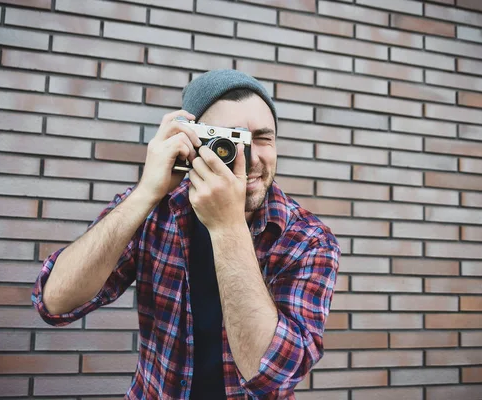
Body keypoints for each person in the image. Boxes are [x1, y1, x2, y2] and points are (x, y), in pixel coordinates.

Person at [32, 69, 341, 399]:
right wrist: (145, 193)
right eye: (230, 141)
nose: (250, 158)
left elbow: (273, 375)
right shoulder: (154, 209)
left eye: (263, 139)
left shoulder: (306, 238)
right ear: (191, 143)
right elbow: (54, 303)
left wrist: (228, 227)